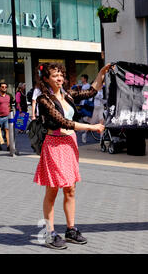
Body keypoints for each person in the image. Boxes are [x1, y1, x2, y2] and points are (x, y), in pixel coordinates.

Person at [33, 62, 110, 250]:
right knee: (52, 191)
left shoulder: (67, 94)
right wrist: (92, 127)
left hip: (69, 145)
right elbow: (63, 122)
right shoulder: (44, 100)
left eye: (61, 75)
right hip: (54, 145)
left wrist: (101, 73)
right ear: (45, 79)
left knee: (70, 189)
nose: (59, 78)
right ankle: (49, 233)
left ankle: (71, 229)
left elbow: (91, 92)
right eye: (54, 75)